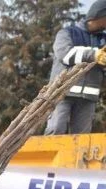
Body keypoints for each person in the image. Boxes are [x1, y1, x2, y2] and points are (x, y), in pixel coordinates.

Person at [45, 0, 106, 135]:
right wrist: (94, 54)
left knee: (81, 139)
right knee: (56, 129)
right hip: (62, 93)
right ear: (99, 16)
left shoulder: (103, 39)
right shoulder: (67, 33)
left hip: (88, 97)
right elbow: (65, 54)